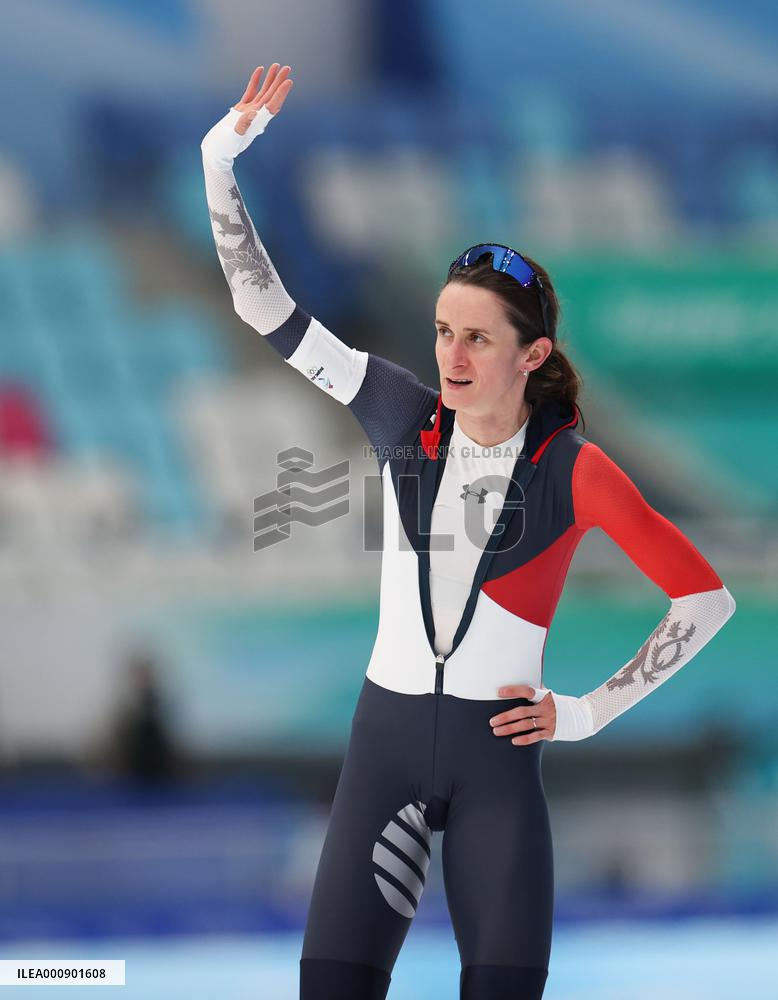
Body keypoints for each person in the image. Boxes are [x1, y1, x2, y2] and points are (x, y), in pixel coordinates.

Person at [201, 64, 736, 1000]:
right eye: (444, 329)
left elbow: (707, 597)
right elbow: (265, 310)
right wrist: (219, 163)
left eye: (477, 338)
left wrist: (586, 712)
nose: (449, 353)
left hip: (500, 769)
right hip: (383, 750)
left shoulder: (577, 471)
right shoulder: (399, 412)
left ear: (533, 356)